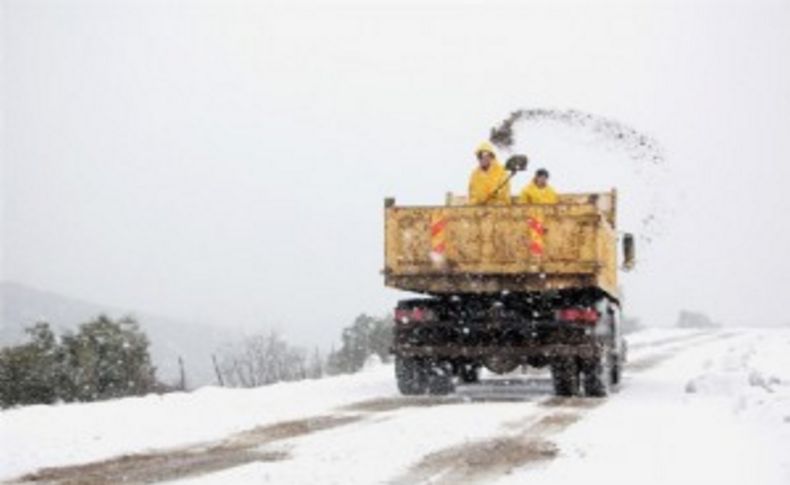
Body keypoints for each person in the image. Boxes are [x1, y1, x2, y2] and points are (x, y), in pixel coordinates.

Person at [468, 141, 511, 205]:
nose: (481, 158)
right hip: (479, 209)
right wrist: (475, 203)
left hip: (499, 209)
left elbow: (503, 194)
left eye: (483, 155)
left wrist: (489, 197)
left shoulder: (501, 171)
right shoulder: (474, 174)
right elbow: (471, 195)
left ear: (491, 156)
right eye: (479, 156)